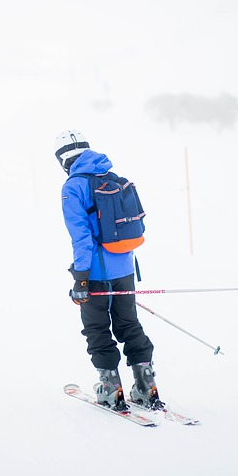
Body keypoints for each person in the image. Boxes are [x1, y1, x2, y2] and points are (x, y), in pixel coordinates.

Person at [54, 129, 163, 411]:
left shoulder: (73, 187)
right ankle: (145, 386)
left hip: (95, 273)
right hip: (125, 266)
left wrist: (81, 278)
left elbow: (81, 237)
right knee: (129, 324)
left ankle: (110, 388)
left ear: (63, 159)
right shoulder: (112, 178)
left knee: (97, 328)